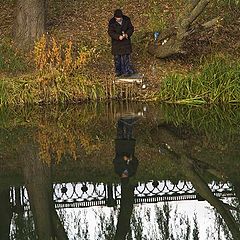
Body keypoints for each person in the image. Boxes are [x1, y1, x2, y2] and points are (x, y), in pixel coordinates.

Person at [108, 9, 135, 77]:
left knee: (126, 58)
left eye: (120, 18)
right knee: (117, 58)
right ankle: (118, 72)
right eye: (117, 18)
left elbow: (131, 28)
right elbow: (110, 32)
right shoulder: (112, 22)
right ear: (115, 17)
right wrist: (117, 37)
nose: (119, 19)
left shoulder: (127, 19)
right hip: (116, 43)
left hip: (125, 42)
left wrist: (127, 34)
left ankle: (127, 71)